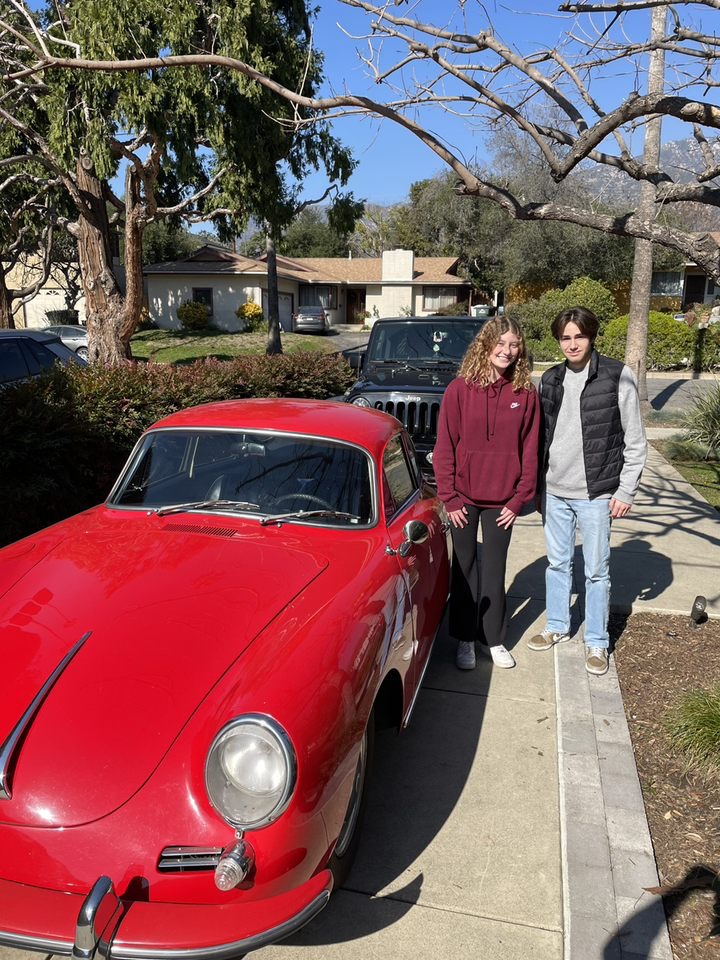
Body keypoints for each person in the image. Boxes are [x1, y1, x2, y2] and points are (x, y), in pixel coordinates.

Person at [528, 306, 647, 676]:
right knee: (557, 564)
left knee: (596, 571)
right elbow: (540, 439)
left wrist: (625, 491)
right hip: (555, 491)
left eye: (579, 336)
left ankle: (597, 641)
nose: (572, 344)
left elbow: (635, 440)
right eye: (565, 337)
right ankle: (557, 625)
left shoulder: (617, 375)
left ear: (591, 336)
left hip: (596, 494)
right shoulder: (550, 379)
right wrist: (537, 487)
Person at [434, 317, 540, 671]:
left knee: (494, 571)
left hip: (503, 503)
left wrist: (519, 499)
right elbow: (445, 447)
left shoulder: (525, 394)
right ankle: (465, 639)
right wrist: (449, 496)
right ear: (486, 344)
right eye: (501, 343)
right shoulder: (458, 390)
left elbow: (531, 450)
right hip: (463, 499)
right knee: (464, 571)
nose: (507, 351)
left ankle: (492, 639)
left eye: (514, 345)